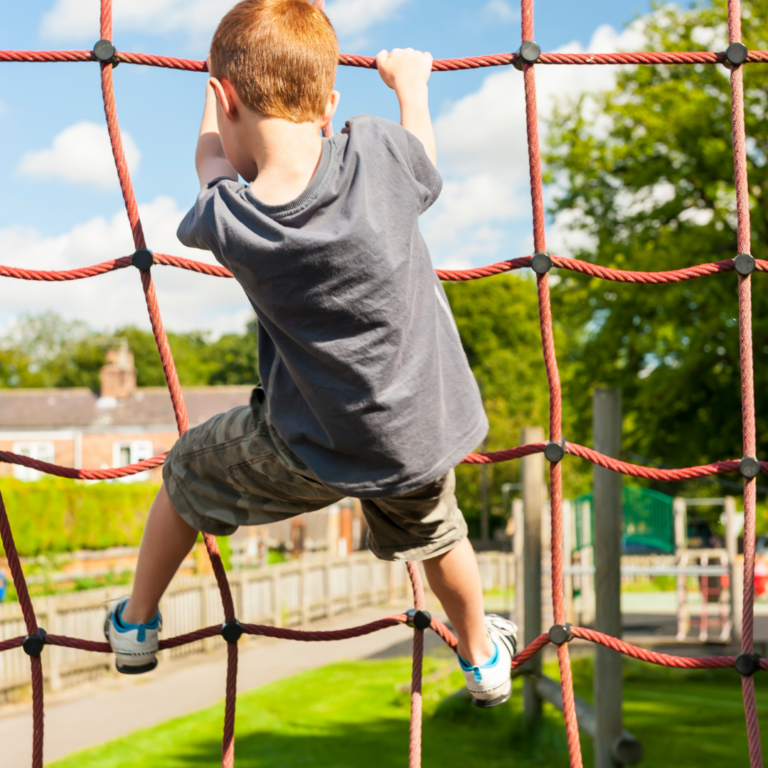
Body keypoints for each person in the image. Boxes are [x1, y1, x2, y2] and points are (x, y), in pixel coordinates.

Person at [105, 0, 517, 707]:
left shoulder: (232, 219)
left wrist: (211, 102)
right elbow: (427, 157)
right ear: (329, 106)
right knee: (443, 539)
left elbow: (208, 158)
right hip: (417, 437)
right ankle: (481, 657)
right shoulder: (380, 153)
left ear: (225, 99)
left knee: (182, 473)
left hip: (307, 447)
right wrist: (411, 85)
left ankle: (136, 622)